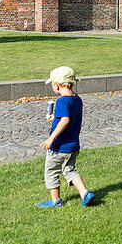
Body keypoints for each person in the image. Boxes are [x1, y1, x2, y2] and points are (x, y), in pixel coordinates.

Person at [38, 66, 95, 208]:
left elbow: (65, 120)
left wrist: (51, 138)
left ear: (56, 85)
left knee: (51, 172)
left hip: (59, 146)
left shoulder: (62, 101)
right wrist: (54, 120)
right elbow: (68, 119)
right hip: (73, 145)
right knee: (69, 170)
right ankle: (85, 193)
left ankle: (55, 200)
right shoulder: (77, 100)